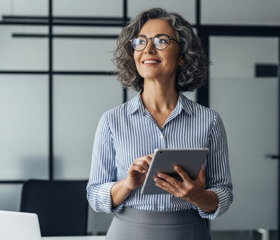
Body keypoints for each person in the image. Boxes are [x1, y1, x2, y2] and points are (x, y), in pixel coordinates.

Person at [86, 8, 233, 240]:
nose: (148, 49)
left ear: (183, 55)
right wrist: (127, 184)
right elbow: (95, 195)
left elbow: (223, 193)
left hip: (190, 232)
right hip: (127, 233)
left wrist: (197, 196)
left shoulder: (209, 120)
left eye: (161, 41)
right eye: (141, 42)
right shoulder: (111, 121)